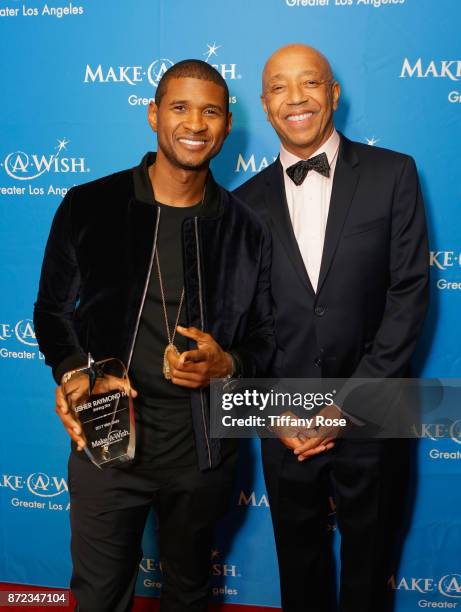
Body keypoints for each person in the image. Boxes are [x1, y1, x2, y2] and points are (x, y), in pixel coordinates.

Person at [34, 59, 274, 612]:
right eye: (180, 107)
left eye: (211, 111)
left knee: (189, 593)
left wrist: (226, 365)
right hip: (105, 443)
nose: (195, 123)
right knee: (98, 596)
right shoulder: (90, 204)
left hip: (201, 453)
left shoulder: (244, 228)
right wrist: (73, 373)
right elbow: (50, 311)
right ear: (153, 115)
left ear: (226, 126)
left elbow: (263, 336)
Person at [235, 44, 429, 612]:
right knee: (300, 573)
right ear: (266, 105)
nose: (295, 98)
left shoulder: (394, 173)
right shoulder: (242, 205)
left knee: (370, 574)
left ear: (333, 94)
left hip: (374, 413)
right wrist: (272, 413)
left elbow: (409, 295)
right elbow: (243, 325)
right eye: (278, 87)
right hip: (286, 426)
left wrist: (346, 407)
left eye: (310, 83)